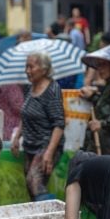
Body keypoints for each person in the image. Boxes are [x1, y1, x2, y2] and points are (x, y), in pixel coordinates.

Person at [10, 52, 65, 201]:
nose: (27, 70)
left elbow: (59, 124)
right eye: (26, 66)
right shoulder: (30, 88)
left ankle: (55, 216)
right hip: (30, 144)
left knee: (34, 181)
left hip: (46, 145)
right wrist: (16, 137)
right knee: (31, 186)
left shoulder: (52, 90)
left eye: (31, 66)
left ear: (44, 69)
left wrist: (49, 152)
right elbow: (26, 114)